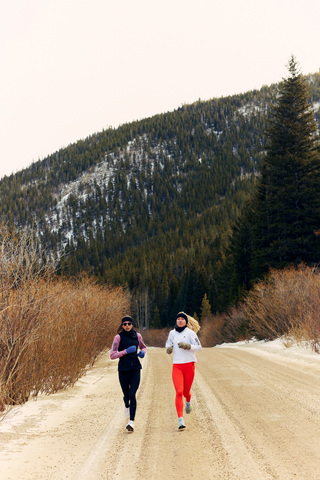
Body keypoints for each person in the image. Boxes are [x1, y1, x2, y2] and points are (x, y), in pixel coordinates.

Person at [110, 315, 147, 432]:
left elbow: (144, 347)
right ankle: (126, 404)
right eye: (124, 324)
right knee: (126, 396)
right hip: (123, 369)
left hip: (135, 368)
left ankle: (131, 422)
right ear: (122, 326)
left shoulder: (138, 336)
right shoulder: (118, 337)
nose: (127, 326)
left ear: (132, 325)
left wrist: (142, 352)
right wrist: (126, 351)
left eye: (129, 324)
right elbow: (112, 355)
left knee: (132, 394)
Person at [165, 311, 202, 429]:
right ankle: (180, 419)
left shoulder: (190, 333)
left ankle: (188, 401)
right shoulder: (172, 333)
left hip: (189, 365)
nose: (180, 320)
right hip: (177, 366)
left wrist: (188, 346)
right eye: (178, 319)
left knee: (186, 392)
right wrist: (169, 348)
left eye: (182, 319)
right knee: (179, 392)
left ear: (186, 321)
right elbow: (168, 343)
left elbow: (199, 347)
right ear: (176, 321)